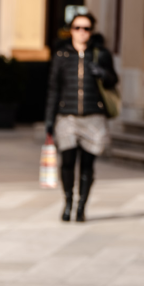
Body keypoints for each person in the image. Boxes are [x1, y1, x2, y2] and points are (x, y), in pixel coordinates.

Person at [44, 13, 118, 222]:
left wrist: (102, 73)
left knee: (87, 164)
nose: (81, 32)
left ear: (91, 31)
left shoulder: (101, 54)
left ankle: (81, 206)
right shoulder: (62, 55)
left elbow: (113, 80)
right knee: (67, 162)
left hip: (93, 116)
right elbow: (53, 88)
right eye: (77, 28)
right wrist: (49, 119)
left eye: (86, 28)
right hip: (66, 116)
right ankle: (68, 202)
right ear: (71, 30)